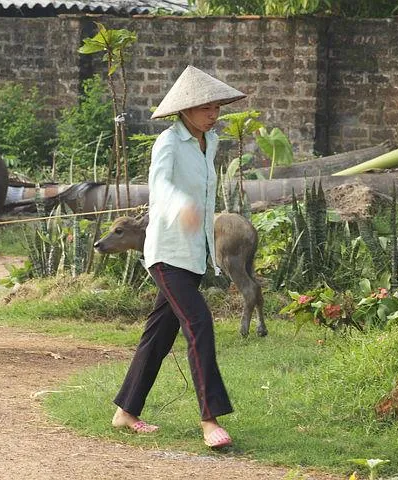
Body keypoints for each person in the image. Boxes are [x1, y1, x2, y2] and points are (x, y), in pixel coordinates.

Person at [110, 65, 247, 449]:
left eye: (217, 106)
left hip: (195, 254)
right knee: (199, 323)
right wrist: (182, 206)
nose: (214, 113)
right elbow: (161, 187)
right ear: (185, 109)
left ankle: (125, 411)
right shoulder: (168, 144)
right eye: (206, 107)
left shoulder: (211, 142)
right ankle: (209, 419)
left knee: (158, 335)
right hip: (167, 254)